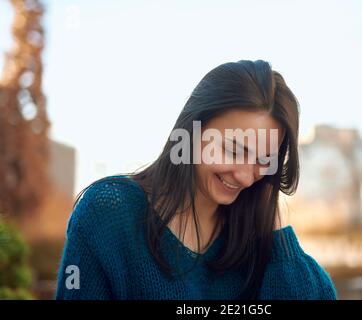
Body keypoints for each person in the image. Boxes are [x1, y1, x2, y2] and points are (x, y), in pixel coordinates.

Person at [55, 60, 337, 300]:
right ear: (192, 130)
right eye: (234, 149)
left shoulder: (259, 243)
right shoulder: (108, 213)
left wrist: (277, 234)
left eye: (264, 160)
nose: (244, 176)